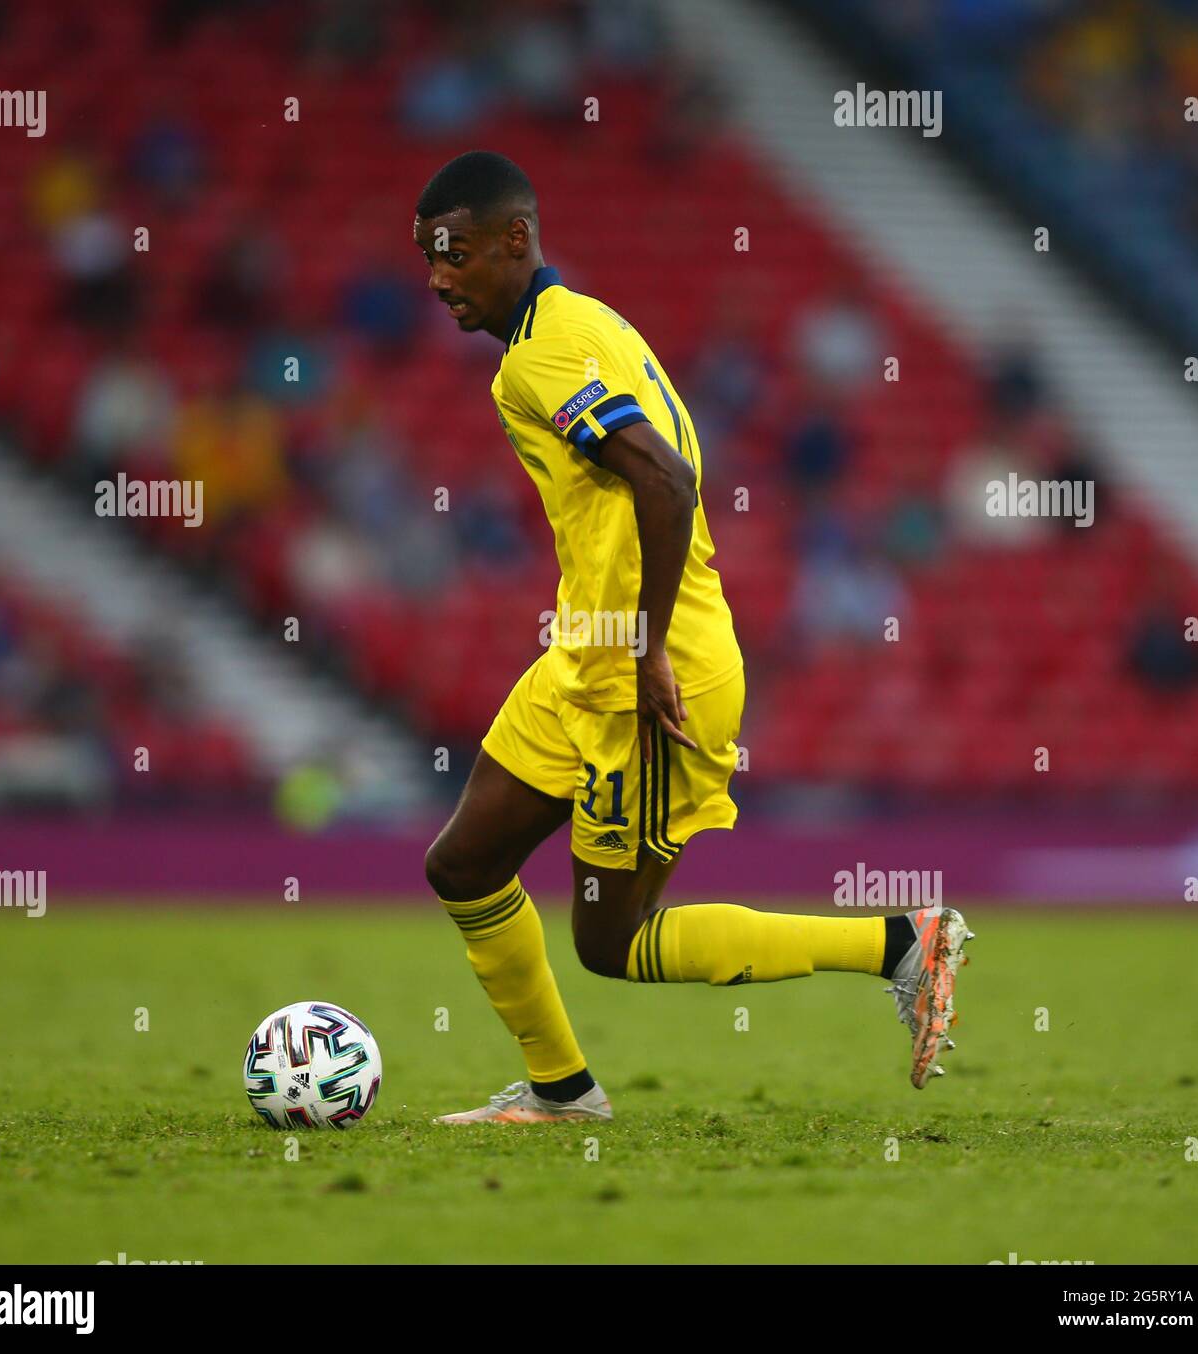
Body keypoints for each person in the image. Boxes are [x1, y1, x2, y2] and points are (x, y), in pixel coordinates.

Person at [412, 152, 973, 1122]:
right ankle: (559, 1091)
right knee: (461, 865)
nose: (438, 276)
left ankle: (899, 941)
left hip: (649, 670)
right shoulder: (586, 324)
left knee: (613, 940)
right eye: (428, 256)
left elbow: (666, 480)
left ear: (515, 240)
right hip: (584, 659)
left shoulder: (543, 351)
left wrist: (644, 647)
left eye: (455, 252)